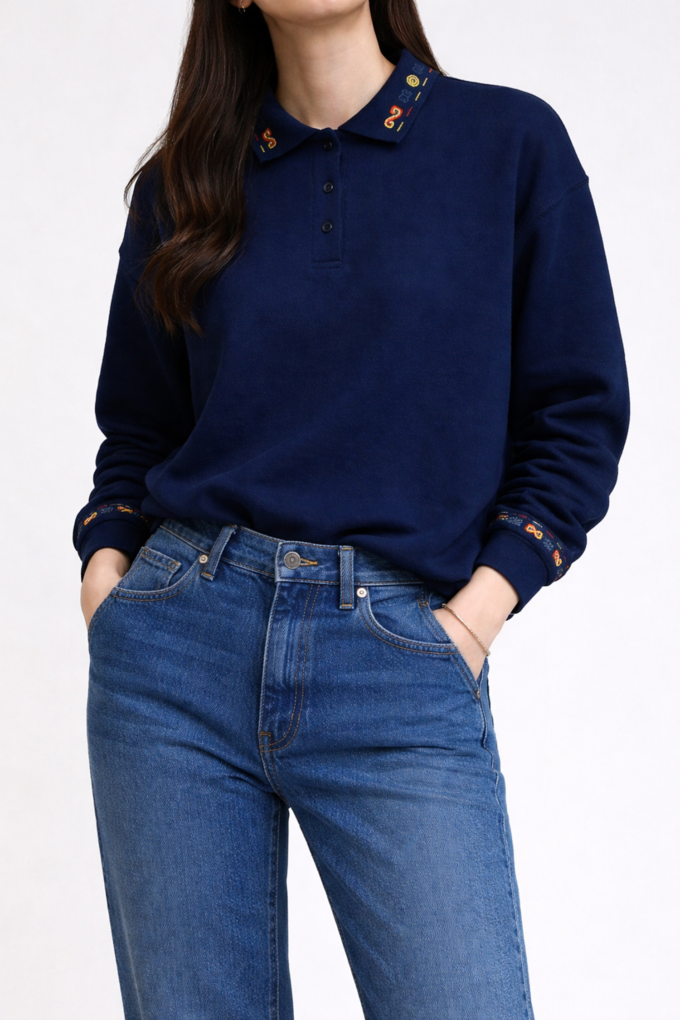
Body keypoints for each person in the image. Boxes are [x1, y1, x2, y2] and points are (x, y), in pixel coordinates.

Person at [75, 1, 629, 1017]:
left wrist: (477, 613)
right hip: (175, 660)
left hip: (397, 656)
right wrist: (106, 573)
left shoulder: (507, 143)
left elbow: (577, 414)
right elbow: (138, 428)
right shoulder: (184, 181)